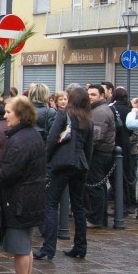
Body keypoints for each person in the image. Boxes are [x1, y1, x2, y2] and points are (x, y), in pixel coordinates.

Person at [0, 97, 46, 274]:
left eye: (9, 112)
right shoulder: (31, 135)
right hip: (30, 197)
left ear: (20, 115)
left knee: (19, 246)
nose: (5, 116)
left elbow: (9, 173)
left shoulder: (21, 139)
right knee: (25, 245)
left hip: (20, 200)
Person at [34, 87, 94, 260]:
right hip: (80, 164)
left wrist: (47, 159)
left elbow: (52, 139)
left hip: (61, 163)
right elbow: (89, 146)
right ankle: (80, 246)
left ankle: (49, 247)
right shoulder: (87, 119)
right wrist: (86, 165)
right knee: (78, 206)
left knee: (51, 204)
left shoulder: (63, 115)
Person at [85, 84, 115, 228]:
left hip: (98, 154)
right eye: (89, 94)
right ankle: (99, 217)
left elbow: (95, 137)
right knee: (99, 185)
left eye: (93, 94)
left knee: (95, 185)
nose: (90, 97)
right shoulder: (98, 110)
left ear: (102, 96)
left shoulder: (100, 112)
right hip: (101, 153)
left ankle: (96, 218)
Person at [109, 87, 132, 214]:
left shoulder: (112, 109)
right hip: (126, 145)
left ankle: (121, 204)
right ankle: (126, 203)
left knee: (116, 176)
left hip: (116, 144)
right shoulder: (129, 110)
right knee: (126, 174)